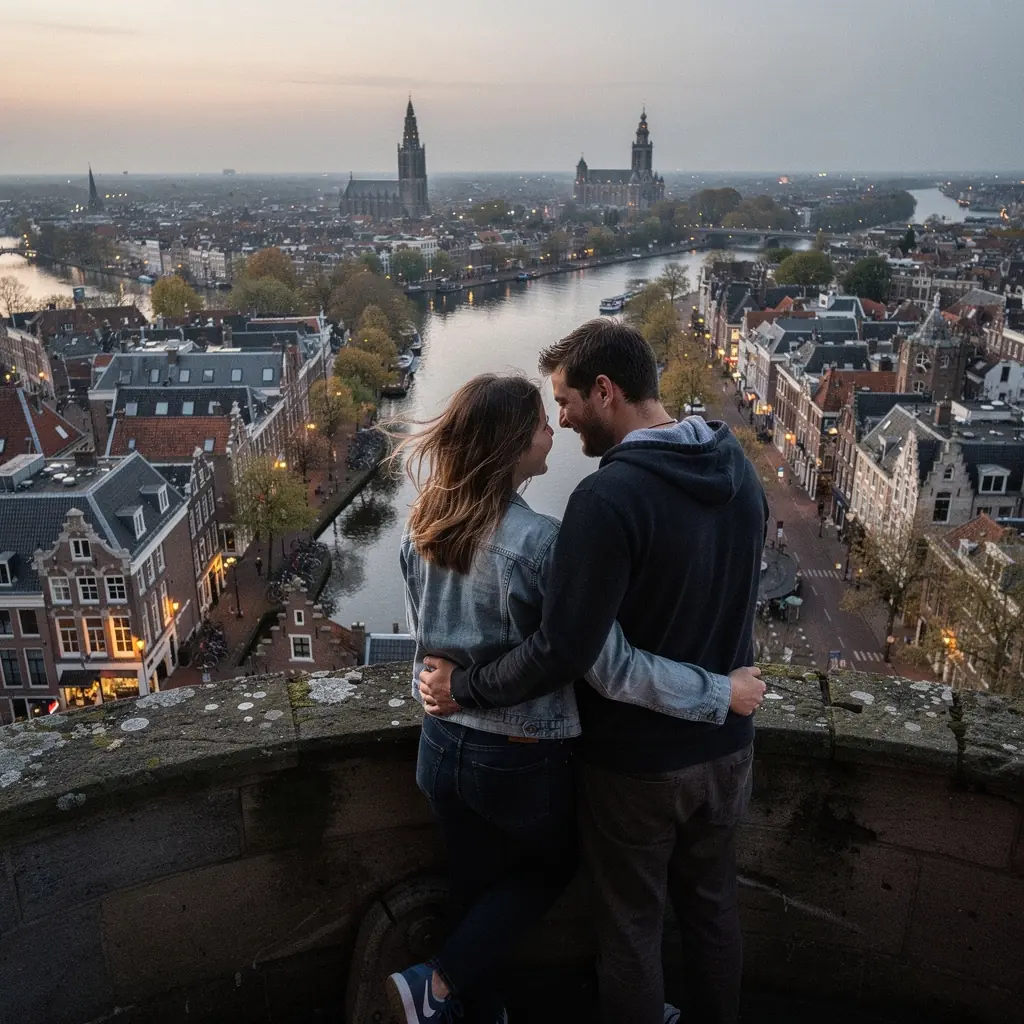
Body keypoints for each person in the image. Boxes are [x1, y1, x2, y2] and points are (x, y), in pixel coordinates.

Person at [386, 373, 765, 1024]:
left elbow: (427, 640)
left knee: (474, 887)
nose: (551, 432)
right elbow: (606, 665)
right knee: (553, 867)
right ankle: (437, 985)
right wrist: (717, 692)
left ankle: (479, 1012)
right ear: (510, 446)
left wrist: (442, 683)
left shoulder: (420, 524)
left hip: (440, 744)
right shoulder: (541, 544)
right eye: (539, 423)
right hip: (516, 752)